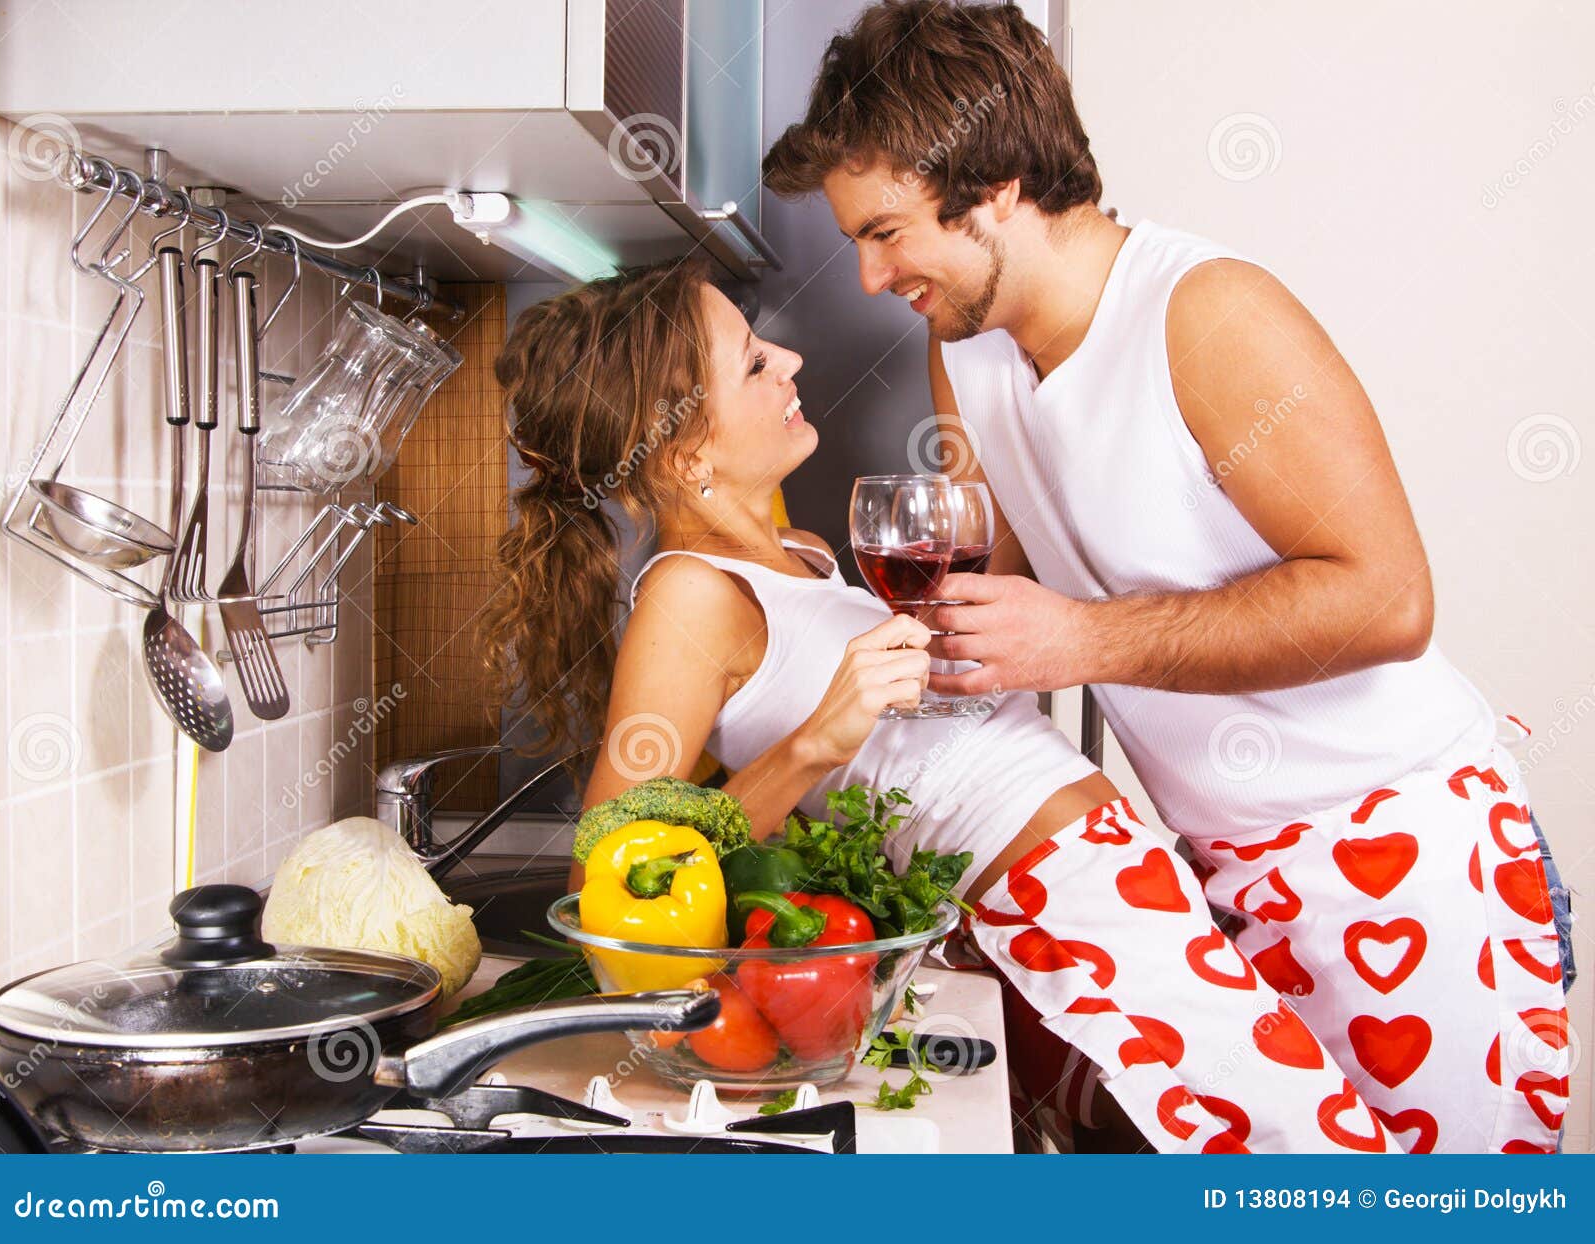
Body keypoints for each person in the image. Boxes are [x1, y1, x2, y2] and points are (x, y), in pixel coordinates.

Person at [762, 0, 1573, 1154]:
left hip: (1407, 852)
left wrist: (1080, 641)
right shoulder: (971, 346)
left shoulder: (1206, 311)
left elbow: (1388, 597)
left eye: (884, 231)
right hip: (1222, 861)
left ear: (992, 185)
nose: (866, 275)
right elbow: (1006, 593)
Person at [482, 258, 1405, 1153]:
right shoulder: (688, 593)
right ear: (680, 449)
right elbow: (605, 883)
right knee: (1305, 1152)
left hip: (1085, 884)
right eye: (754, 363)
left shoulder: (795, 551)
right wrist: (812, 746)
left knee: (1217, 1149)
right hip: (1055, 895)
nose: (791, 363)